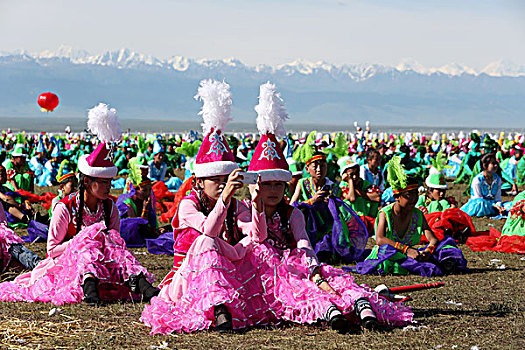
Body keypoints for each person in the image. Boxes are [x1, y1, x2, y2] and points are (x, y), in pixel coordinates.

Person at [244, 83, 413, 332]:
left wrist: (310, 264)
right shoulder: (245, 211)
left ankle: (360, 305)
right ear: (257, 185)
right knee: (299, 289)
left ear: (285, 187)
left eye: (277, 185)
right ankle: (330, 310)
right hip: (268, 271)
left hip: (298, 261)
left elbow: (302, 241)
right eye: (266, 185)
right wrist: (256, 202)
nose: (272, 191)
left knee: (328, 277)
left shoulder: (293, 213)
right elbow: (258, 237)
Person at [141, 79, 274, 334]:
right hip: (186, 280)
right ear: (199, 181)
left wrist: (256, 205)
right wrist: (225, 198)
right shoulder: (188, 205)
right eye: (216, 179)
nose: (222, 184)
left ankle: (233, 304)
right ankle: (220, 309)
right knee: (205, 242)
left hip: (227, 274)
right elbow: (209, 231)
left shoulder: (236, 204)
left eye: (226, 179)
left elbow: (259, 236)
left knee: (260, 247)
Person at [0, 103, 158, 306]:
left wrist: (97, 241)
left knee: (113, 246)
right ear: (86, 182)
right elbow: (52, 250)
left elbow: (117, 244)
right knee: (87, 246)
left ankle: (143, 286)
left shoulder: (109, 207)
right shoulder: (64, 208)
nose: (108, 187)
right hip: (67, 264)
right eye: (103, 182)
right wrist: (83, 240)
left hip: (104, 260)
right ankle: (89, 290)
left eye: (109, 182)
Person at [352, 157, 468, 277]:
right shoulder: (385, 213)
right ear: (397, 197)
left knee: (446, 244)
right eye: (409, 195)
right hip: (388, 254)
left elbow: (432, 239)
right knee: (387, 251)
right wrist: (406, 250)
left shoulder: (417, 214)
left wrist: (428, 250)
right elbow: (379, 239)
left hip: (408, 253)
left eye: (416, 194)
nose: (414, 198)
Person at [461, 153, 505, 217]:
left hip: (492, 204)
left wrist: (499, 206)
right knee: (481, 204)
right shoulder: (478, 180)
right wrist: (494, 206)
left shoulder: (497, 179)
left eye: (496, 163)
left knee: (510, 205)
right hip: (478, 205)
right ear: (484, 166)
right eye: (493, 163)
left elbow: (498, 199)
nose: (496, 165)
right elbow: (479, 198)